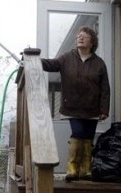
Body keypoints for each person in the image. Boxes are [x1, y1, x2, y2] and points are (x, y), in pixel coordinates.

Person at [41, 26, 110, 182]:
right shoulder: (67, 58)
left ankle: (85, 170)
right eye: (78, 36)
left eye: (84, 36)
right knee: (78, 132)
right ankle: (72, 168)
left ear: (92, 42)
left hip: (92, 108)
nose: (80, 38)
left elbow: (105, 88)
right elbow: (52, 64)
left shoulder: (99, 63)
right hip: (72, 107)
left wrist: (104, 109)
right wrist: (34, 61)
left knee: (88, 137)